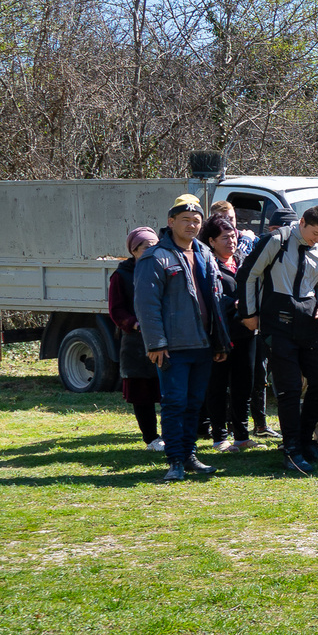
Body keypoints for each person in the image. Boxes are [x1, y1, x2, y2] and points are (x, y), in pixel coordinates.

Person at [132, 195, 231, 482]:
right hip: (172, 347)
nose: (191, 225)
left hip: (204, 345)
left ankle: (188, 455)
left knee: (194, 403)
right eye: (185, 220)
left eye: (196, 220)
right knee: (174, 403)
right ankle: (174, 459)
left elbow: (216, 301)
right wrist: (156, 343)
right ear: (170, 222)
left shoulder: (204, 252)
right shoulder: (154, 257)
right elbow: (146, 304)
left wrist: (219, 341)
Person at [238, 203, 318, 475]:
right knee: (290, 388)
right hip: (277, 319)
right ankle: (292, 449)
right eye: (314, 233)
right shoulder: (277, 240)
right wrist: (248, 313)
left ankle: (306, 442)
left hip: (309, 320)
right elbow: (249, 274)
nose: (317, 239)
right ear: (302, 222)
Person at [200, 215, 256, 454]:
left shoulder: (243, 261)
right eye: (225, 238)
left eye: (233, 236)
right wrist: (232, 304)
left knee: (244, 384)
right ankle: (219, 436)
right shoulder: (206, 265)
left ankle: (242, 435)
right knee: (218, 385)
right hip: (220, 335)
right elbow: (205, 299)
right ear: (211, 241)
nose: (231, 241)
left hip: (246, 332)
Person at [106, 227, 163, 452]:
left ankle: (172, 434)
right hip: (136, 341)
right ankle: (151, 438)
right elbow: (116, 309)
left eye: (155, 246)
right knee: (143, 391)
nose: (153, 250)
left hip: (163, 336)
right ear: (135, 250)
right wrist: (135, 324)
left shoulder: (162, 269)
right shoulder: (121, 275)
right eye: (148, 247)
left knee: (168, 390)